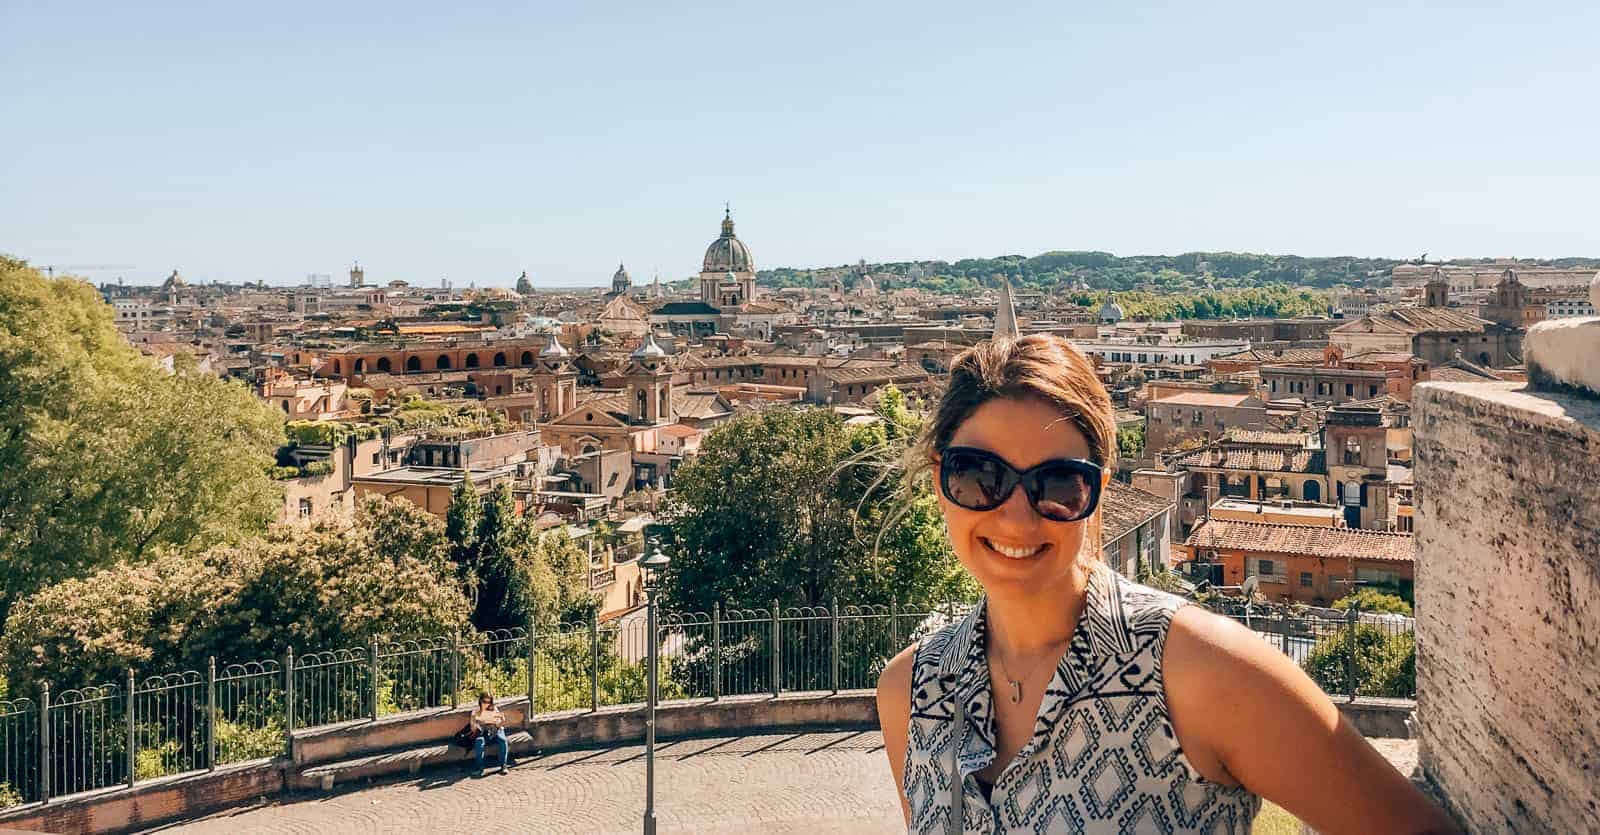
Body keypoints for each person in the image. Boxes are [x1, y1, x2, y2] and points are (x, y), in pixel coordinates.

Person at [875, 335, 1458, 834]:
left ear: (1097, 493)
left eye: (1059, 483)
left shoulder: (1205, 673)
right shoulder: (909, 693)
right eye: (980, 476)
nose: (1018, 518)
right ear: (940, 478)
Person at [470, 692, 509, 776]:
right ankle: (479, 768)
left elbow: (498, 725)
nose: (486, 704)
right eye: (484, 701)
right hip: (483, 732)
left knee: (502, 740)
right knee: (479, 741)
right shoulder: (475, 711)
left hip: (495, 730)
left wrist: (502, 721)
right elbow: (472, 729)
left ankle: (503, 766)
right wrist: (476, 723)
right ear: (480, 701)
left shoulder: (494, 709)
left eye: (489, 702)